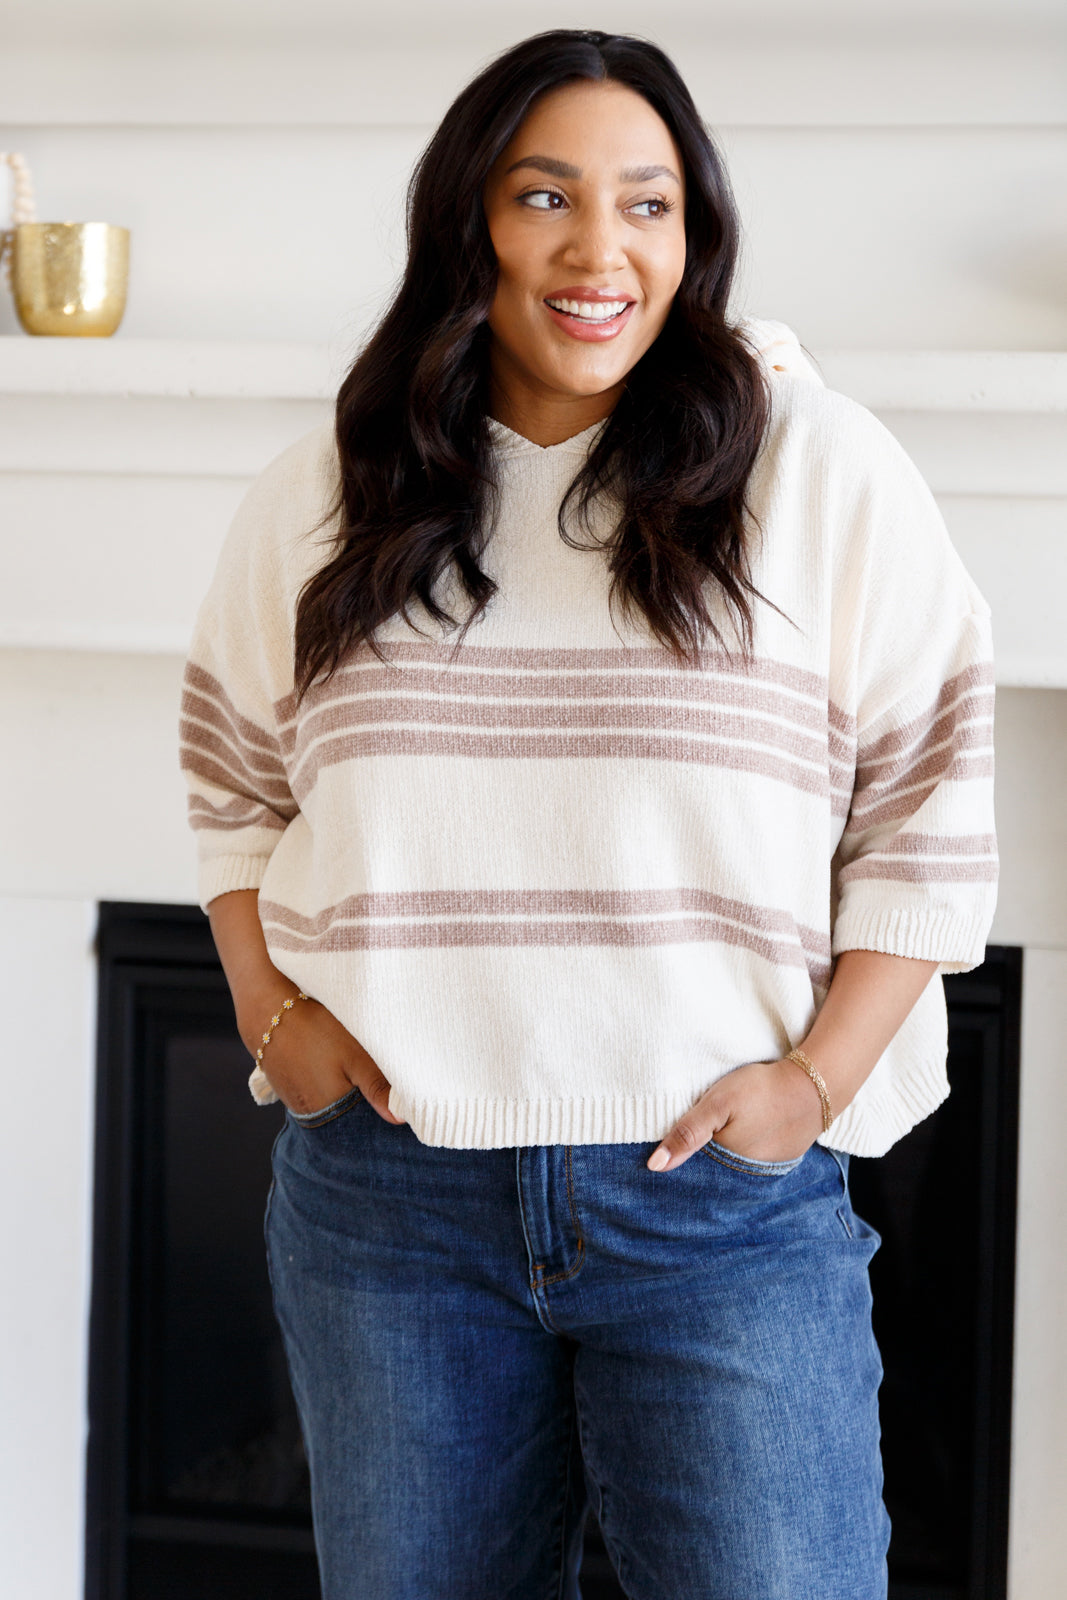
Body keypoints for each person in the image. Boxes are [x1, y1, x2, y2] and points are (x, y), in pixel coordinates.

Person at [180, 28, 997, 1600]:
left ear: (694, 239)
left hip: (714, 1212)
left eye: (649, 202)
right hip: (393, 1214)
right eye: (544, 195)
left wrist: (816, 1086)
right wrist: (270, 1013)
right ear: (468, 222)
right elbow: (232, 782)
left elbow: (930, 810)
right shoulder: (324, 492)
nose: (598, 247)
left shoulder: (813, 471)